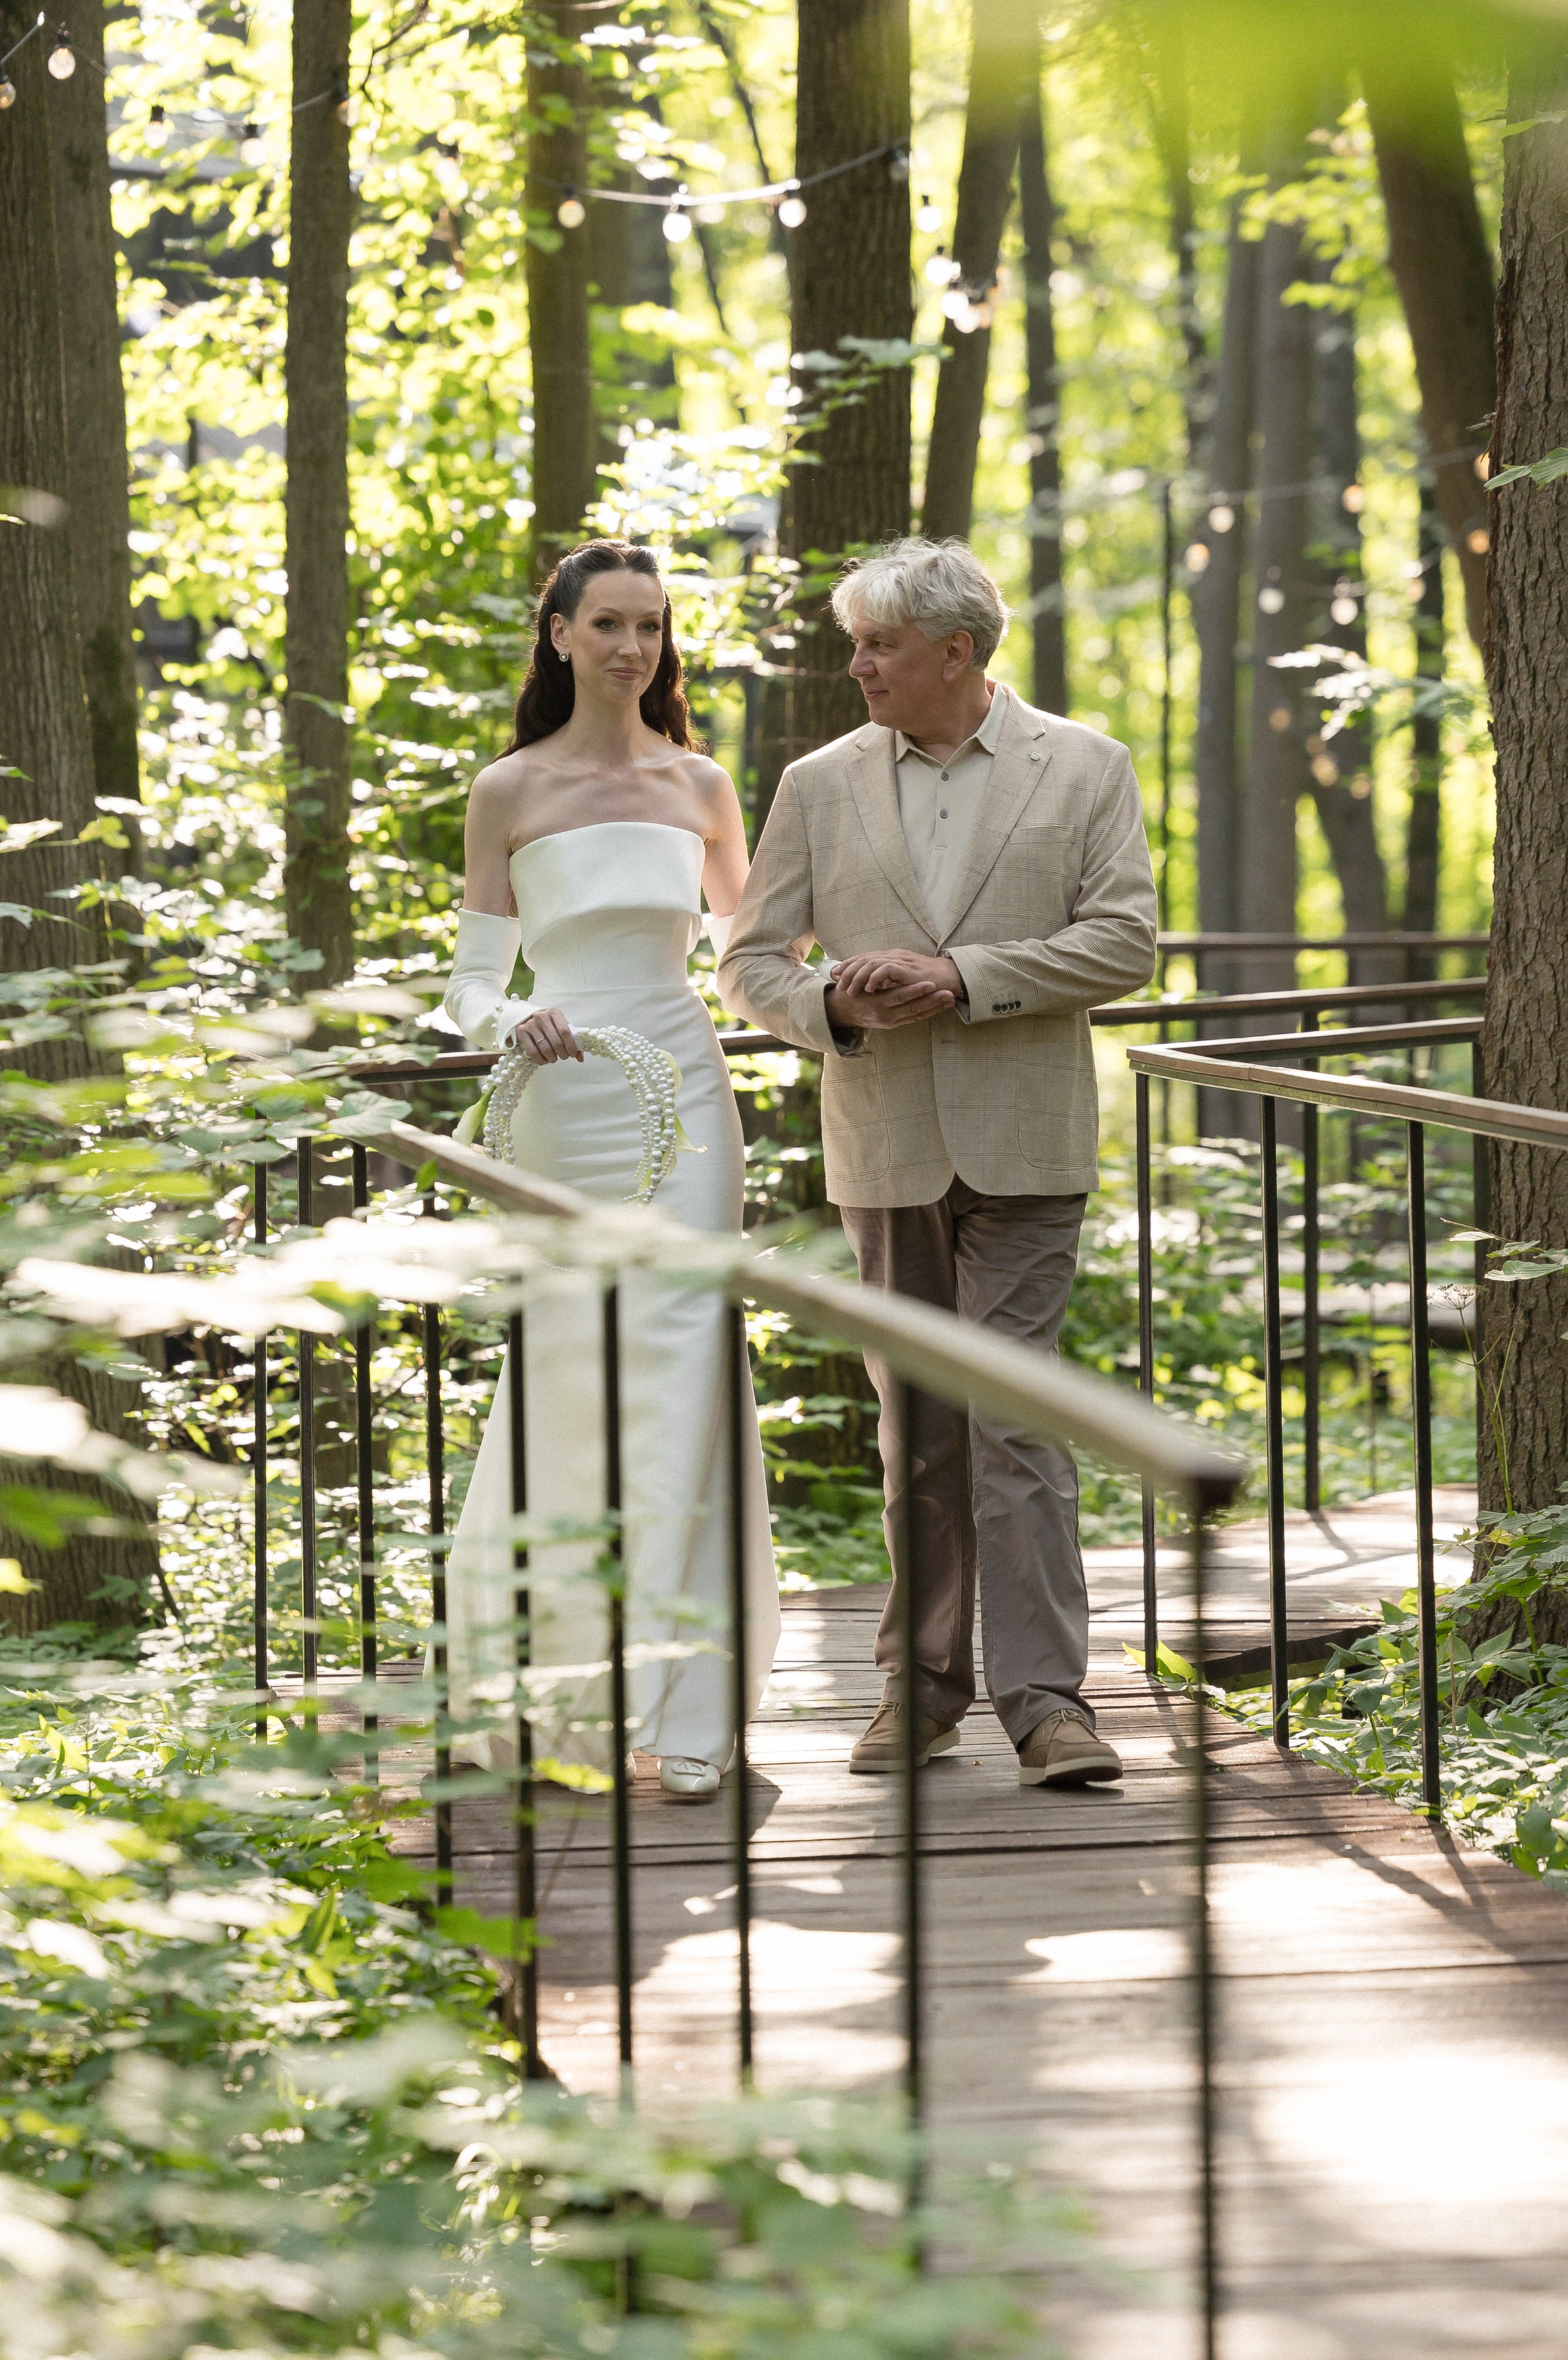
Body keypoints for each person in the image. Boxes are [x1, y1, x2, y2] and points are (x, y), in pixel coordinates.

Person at [719, 537, 1156, 1789]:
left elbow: (1126, 940)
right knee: (916, 1426)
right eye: (858, 645)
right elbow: (750, 965)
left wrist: (964, 979)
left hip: (1026, 1140)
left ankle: (1049, 1705)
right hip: (885, 1141)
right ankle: (916, 1693)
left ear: (957, 652)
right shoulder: (816, 782)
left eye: (881, 647)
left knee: (1018, 1416)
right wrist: (840, 1008)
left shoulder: (1085, 766)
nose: (857, 666)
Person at [441, 538, 779, 1802]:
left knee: (689, 1362)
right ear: (562, 636)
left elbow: (754, 949)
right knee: (568, 1373)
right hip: (558, 1095)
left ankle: (692, 1701)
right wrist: (501, 1020)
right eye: (611, 625)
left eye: (652, 626)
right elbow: (471, 977)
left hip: (685, 1093)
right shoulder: (506, 790)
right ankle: (553, 1702)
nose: (634, 647)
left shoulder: (701, 784)